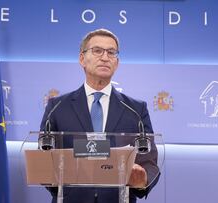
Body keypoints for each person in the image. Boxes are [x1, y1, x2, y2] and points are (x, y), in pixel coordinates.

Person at [40, 28, 160, 203]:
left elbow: (149, 161)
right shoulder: (57, 107)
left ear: (117, 62)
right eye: (97, 51)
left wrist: (142, 180)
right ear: (82, 58)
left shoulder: (135, 109)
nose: (105, 57)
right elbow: (44, 160)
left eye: (111, 52)